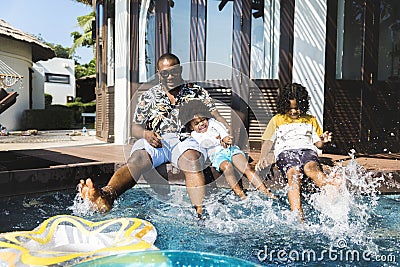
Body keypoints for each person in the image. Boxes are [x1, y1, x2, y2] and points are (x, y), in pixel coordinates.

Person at [78, 53, 229, 219]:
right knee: (137, 159)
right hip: (155, 140)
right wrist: (145, 134)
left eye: (174, 72)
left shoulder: (196, 92)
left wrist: (228, 134)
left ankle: (199, 215)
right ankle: (105, 196)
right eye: (165, 73)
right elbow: (134, 128)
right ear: (159, 74)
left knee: (192, 160)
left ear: (180, 70)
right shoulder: (149, 96)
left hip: (185, 140)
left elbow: (216, 116)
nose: (170, 76)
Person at [255, 83, 339, 222]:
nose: (294, 111)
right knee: (294, 174)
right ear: (283, 106)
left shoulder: (310, 120)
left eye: (297, 108)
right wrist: (263, 157)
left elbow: (317, 143)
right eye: (290, 108)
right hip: (286, 152)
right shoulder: (277, 119)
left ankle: (330, 185)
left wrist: (323, 141)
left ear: (304, 105)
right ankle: (298, 215)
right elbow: (268, 141)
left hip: (307, 150)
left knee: (311, 167)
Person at [179, 100, 275, 200]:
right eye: (196, 123)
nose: (201, 124)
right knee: (227, 167)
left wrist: (225, 137)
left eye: (203, 120)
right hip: (217, 155)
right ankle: (241, 194)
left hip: (230, 150)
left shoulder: (213, 122)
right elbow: (205, 143)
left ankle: (265, 191)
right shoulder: (195, 135)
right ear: (191, 126)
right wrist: (219, 140)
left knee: (247, 167)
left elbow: (222, 130)